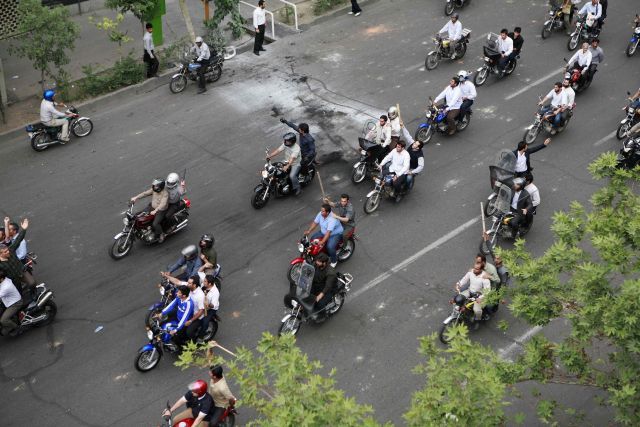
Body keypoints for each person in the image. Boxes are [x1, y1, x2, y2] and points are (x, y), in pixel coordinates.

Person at [0, 218, 35, 292]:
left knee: (32, 283)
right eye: (5, 252)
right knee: (18, 292)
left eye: (7, 251)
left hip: (21, 269)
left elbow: (19, 239)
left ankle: (34, 293)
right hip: (13, 278)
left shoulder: (11, 249)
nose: (8, 252)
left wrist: (24, 229)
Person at [455, 261, 491, 328]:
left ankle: (477, 321)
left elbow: (488, 291)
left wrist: (481, 298)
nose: (474, 270)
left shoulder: (485, 278)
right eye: (474, 268)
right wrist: (458, 284)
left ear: (481, 269)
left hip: (479, 295)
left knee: (477, 310)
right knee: (458, 298)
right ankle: (457, 313)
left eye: (477, 269)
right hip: (470, 291)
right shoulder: (471, 272)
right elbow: (464, 280)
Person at [266, 132, 303, 196]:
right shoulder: (285, 144)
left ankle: (297, 188)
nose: (285, 142)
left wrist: (287, 166)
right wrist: (270, 156)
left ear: (292, 141)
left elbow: (292, 158)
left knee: (292, 176)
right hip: (287, 161)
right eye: (285, 140)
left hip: (295, 164)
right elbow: (278, 150)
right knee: (275, 167)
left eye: (287, 141)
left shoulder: (296, 148)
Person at [0, 270, 23, 336]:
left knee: (3, 320)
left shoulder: (5, 287)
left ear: (1, 278)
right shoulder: (5, 279)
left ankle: (17, 328)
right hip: (9, 300)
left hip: (15, 303)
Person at [402, 123, 424, 190]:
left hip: (412, 168)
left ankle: (406, 189)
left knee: (408, 178)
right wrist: (403, 126)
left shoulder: (420, 156)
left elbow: (421, 167)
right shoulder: (412, 145)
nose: (413, 144)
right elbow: (407, 135)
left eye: (415, 144)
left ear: (417, 148)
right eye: (415, 143)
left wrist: (411, 172)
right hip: (405, 163)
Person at [164, 172, 186, 237]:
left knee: (167, 216)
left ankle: (172, 225)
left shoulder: (178, 188)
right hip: (165, 201)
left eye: (171, 183)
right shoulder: (165, 183)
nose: (169, 184)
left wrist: (182, 186)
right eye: (169, 182)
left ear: (176, 182)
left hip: (174, 204)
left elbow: (182, 192)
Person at [200, 274, 220, 339]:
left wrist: (207, 303)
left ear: (210, 284)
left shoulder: (215, 292)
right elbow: (200, 272)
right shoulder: (205, 284)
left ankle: (201, 336)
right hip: (202, 304)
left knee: (205, 322)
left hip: (211, 309)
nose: (203, 282)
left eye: (205, 281)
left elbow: (213, 305)